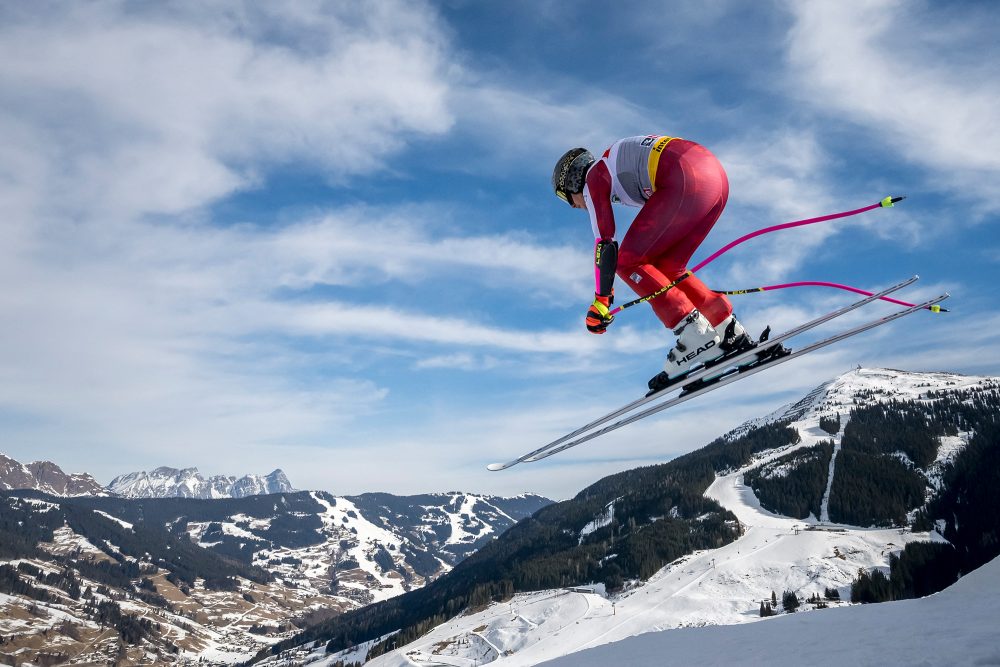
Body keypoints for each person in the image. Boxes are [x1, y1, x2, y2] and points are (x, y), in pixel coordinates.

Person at [552, 135, 751, 386]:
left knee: (627, 262)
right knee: (666, 268)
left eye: (564, 197)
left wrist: (602, 301)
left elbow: (605, 240)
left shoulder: (594, 175)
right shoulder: (611, 165)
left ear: (571, 181)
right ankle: (727, 327)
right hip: (715, 179)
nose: (570, 206)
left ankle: (695, 335)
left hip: (685, 177)